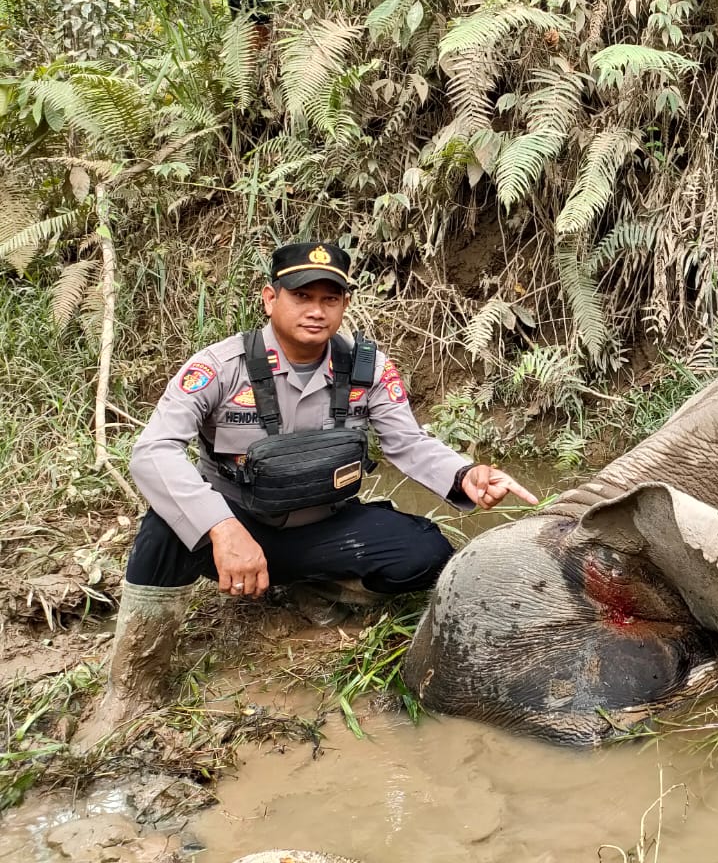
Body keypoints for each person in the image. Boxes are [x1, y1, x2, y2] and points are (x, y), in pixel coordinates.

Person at [77, 240, 536, 743]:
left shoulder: (367, 368)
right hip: (236, 526)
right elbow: (152, 451)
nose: (317, 311)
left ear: (343, 304)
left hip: (322, 525)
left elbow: (407, 442)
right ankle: (132, 684)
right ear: (270, 298)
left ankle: (315, 585)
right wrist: (221, 526)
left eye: (331, 299)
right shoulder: (220, 366)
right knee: (163, 528)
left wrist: (464, 474)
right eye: (302, 296)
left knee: (426, 554)